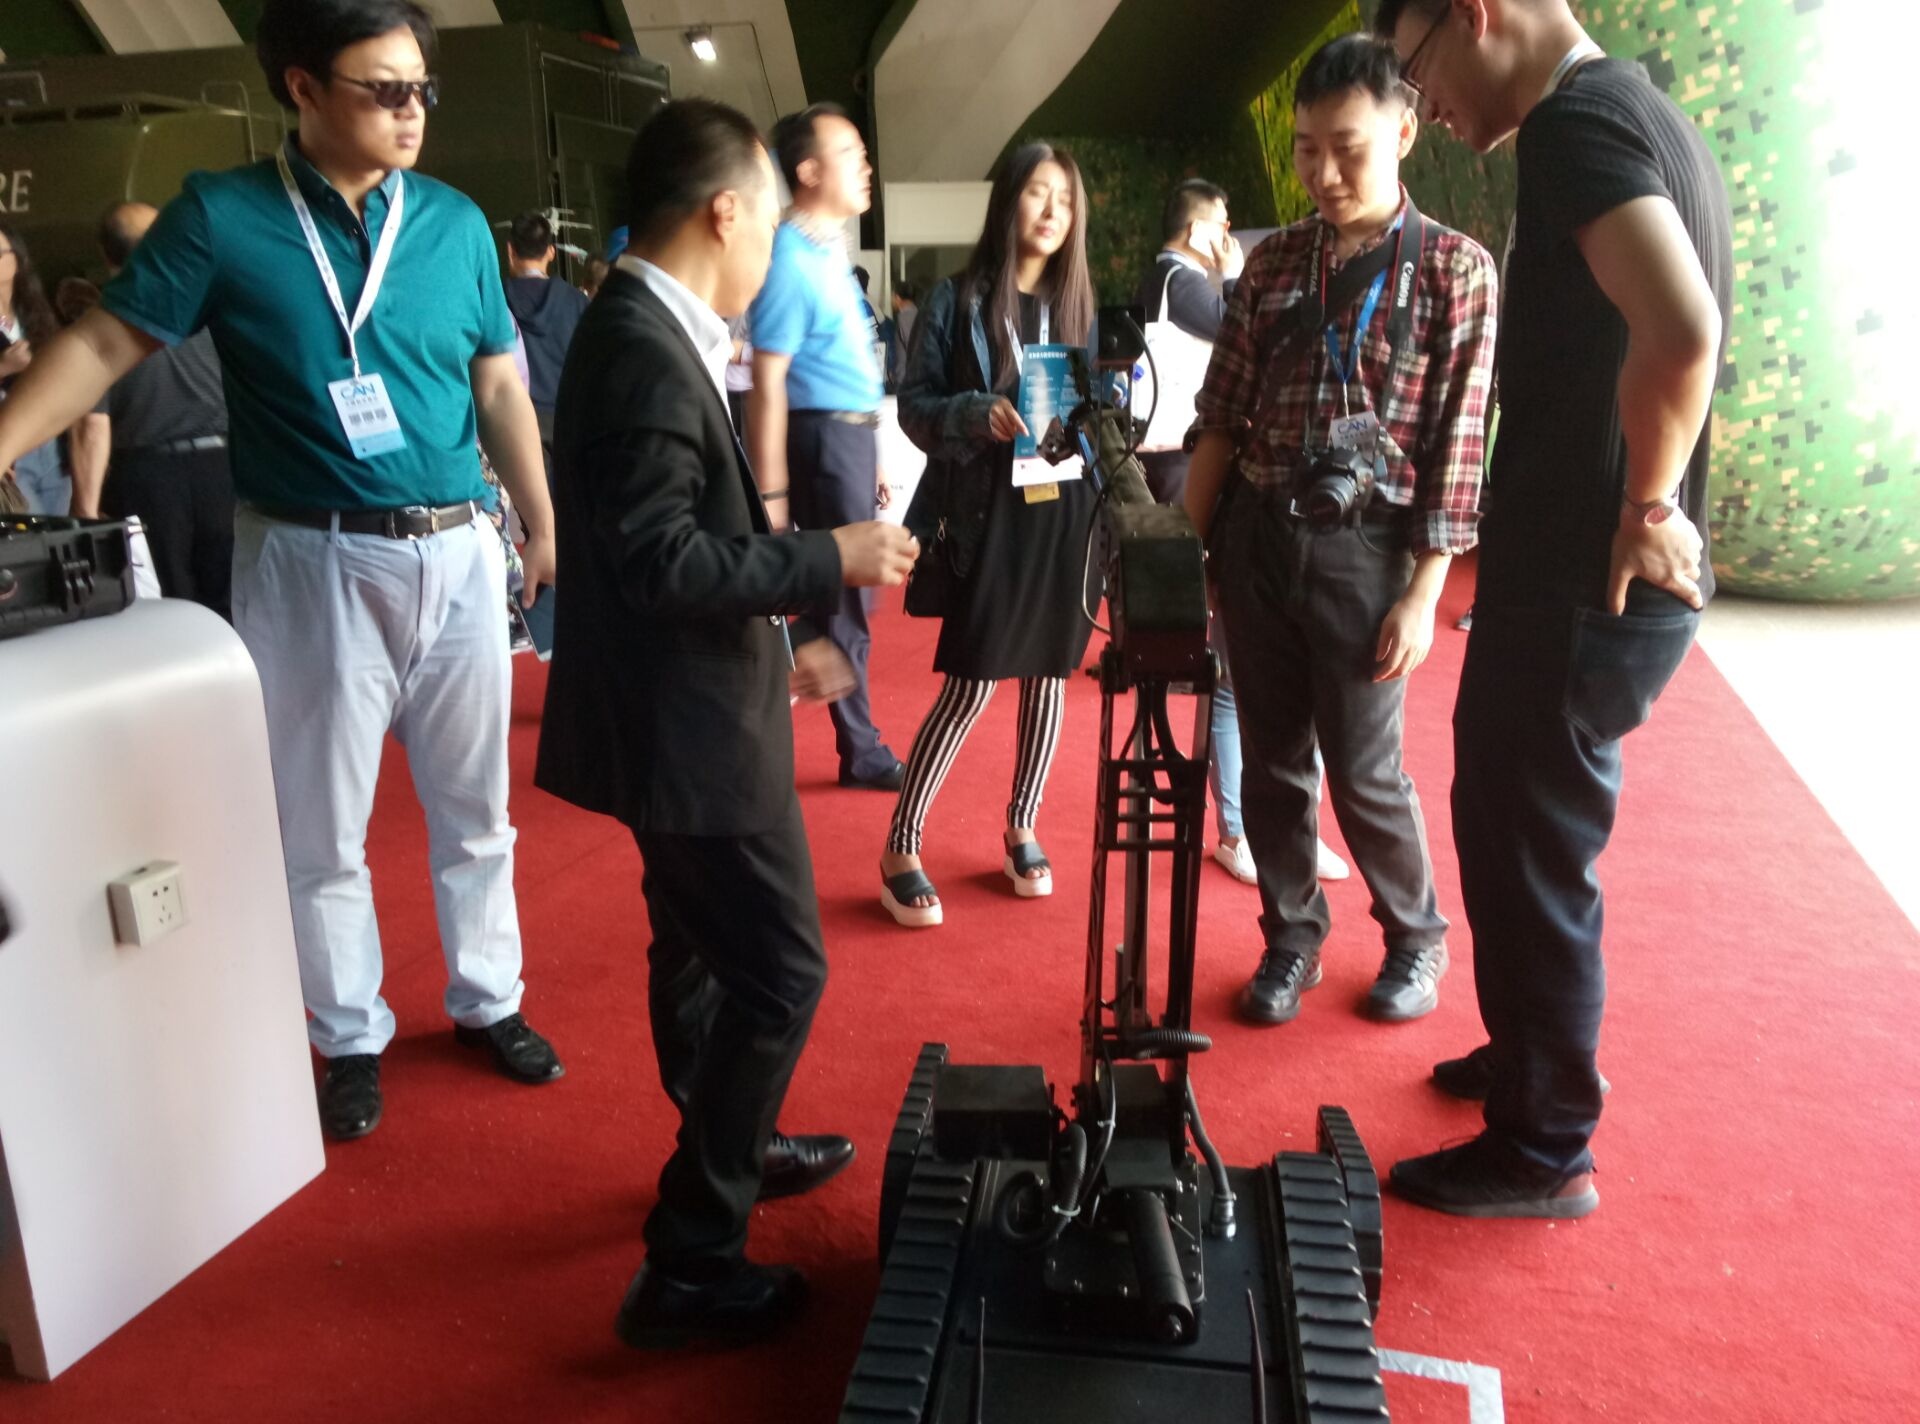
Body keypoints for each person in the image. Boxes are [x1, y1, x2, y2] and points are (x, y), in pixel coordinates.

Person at [0, 0, 564, 1141]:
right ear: (302, 87)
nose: (413, 112)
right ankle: (349, 1032)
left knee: (478, 808)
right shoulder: (224, 215)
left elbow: (499, 383)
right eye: (383, 89)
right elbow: (106, 342)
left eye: (422, 87)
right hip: (312, 553)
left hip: (457, 546)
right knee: (320, 825)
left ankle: (488, 998)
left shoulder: (453, 222)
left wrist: (540, 519)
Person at [535, 98, 919, 1347]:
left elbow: (675, 536)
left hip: (686, 709)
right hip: (687, 730)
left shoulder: (646, 325)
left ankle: (730, 1137)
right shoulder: (642, 343)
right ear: (726, 211)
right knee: (781, 970)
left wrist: (786, 625)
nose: (778, 252)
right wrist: (830, 556)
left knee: (698, 948)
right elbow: (660, 560)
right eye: (772, 223)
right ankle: (692, 1256)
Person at [1377, 0, 1730, 1218]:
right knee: (1508, 822)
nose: (1426, 106)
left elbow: (1682, 328)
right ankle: (1528, 1053)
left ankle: (1543, 1145)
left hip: (1585, 578)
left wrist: (1647, 503)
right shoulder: (1638, 109)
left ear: (1473, 14)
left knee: (1532, 852)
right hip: (1568, 577)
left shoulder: (1577, 127)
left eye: (1417, 69)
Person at [1182, 34, 1496, 1027]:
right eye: (1306, 150)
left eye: (1346, 149)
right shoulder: (1273, 263)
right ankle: (1291, 937)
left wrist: (1424, 591)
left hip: (1372, 551)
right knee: (1271, 762)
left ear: (1403, 132)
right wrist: (1180, 552)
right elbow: (1220, 418)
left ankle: (1416, 937)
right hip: (1256, 536)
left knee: (1364, 771)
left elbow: (1459, 443)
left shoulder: (1455, 270)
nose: (1322, 174)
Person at [878, 143, 1098, 929]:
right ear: (1007, 200)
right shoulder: (958, 297)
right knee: (971, 682)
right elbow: (913, 408)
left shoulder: (1075, 304)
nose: (1052, 212)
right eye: (1038, 194)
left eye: (1064, 200)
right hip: (984, 513)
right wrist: (976, 414)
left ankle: (1022, 826)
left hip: (1062, 511)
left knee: (1050, 676)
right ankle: (901, 845)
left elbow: (1084, 412)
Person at [1135, 179, 1351, 892]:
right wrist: (1235, 275)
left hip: (1234, 476)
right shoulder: (1178, 280)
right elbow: (1241, 326)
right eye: (1224, 225)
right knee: (1229, 672)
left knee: (1278, 678)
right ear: (1200, 231)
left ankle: (1285, 828)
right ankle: (1238, 829)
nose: (1233, 238)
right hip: (1192, 464)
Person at [748, 103, 904, 792]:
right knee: (843, 598)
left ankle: (850, 729)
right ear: (808, 171)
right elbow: (768, 381)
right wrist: (773, 496)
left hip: (848, 435)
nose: (866, 167)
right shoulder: (789, 257)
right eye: (851, 155)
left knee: (848, 596)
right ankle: (860, 749)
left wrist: (873, 454)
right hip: (821, 438)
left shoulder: (823, 250)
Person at [68, 202, 236, 620]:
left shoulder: (99, 325)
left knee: (168, 604)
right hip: (225, 468)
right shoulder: (209, 306)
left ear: (106, 256)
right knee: (232, 596)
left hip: (148, 478)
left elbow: (92, 425)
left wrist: (85, 509)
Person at [0, 223, 70, 516]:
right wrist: (4, 366)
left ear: (17, 259)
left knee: (60, 531)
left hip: (52, 446)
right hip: (11, 447)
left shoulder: (34, 312)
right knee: (30, 530)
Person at [503, 209, 590, 429]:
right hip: (568, 421)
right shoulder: (578, 302)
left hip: (514, 424)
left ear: (510, 251)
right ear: (551, 252)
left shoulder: (494, 302)